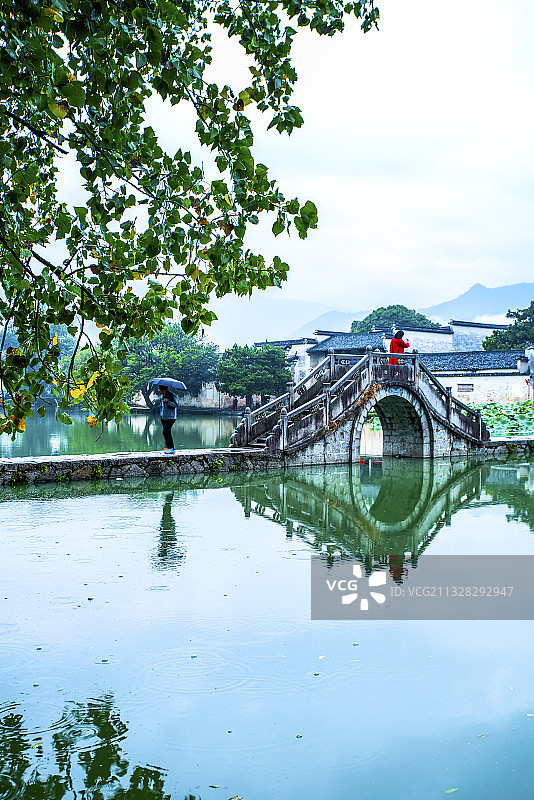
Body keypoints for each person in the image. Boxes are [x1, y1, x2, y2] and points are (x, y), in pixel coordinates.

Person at [159, 386, 178, 454]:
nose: (159, 390)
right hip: (164, 417)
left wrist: (168, 401)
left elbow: (176, 404)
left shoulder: (172, 395)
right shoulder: (162, 396)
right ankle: (168, 447)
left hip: (171, 417)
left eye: (160, 389)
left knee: (165, 431)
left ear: (164, 389)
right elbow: (162, 406)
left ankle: (172, 448)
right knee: (168, 432)